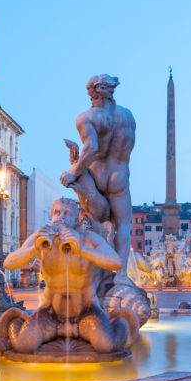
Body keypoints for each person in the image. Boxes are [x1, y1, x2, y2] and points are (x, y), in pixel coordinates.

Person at [2, 198, 134, 354]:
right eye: (57, 213)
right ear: (51, 216)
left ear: (76, 219)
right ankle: (18, 321)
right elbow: (9, 263)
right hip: (50, 311)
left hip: (86, 310)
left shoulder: (88, 238)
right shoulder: (41, 236)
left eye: (67, 213)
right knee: (24, 346)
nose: (61, 217)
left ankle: (120, 322)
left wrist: (81, 249)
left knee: (107, 346)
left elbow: (115, 262)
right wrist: (34, 249)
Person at [60, 74, 136, 285]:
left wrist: (73, 172)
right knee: (123, 226)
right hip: (119, 176)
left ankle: (91, 274)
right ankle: (120, 276)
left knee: (89, 224)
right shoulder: (128, 116)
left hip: (97, 176)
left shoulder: (86, 117)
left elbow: (91, 148)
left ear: (91, 92)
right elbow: (128, 148)